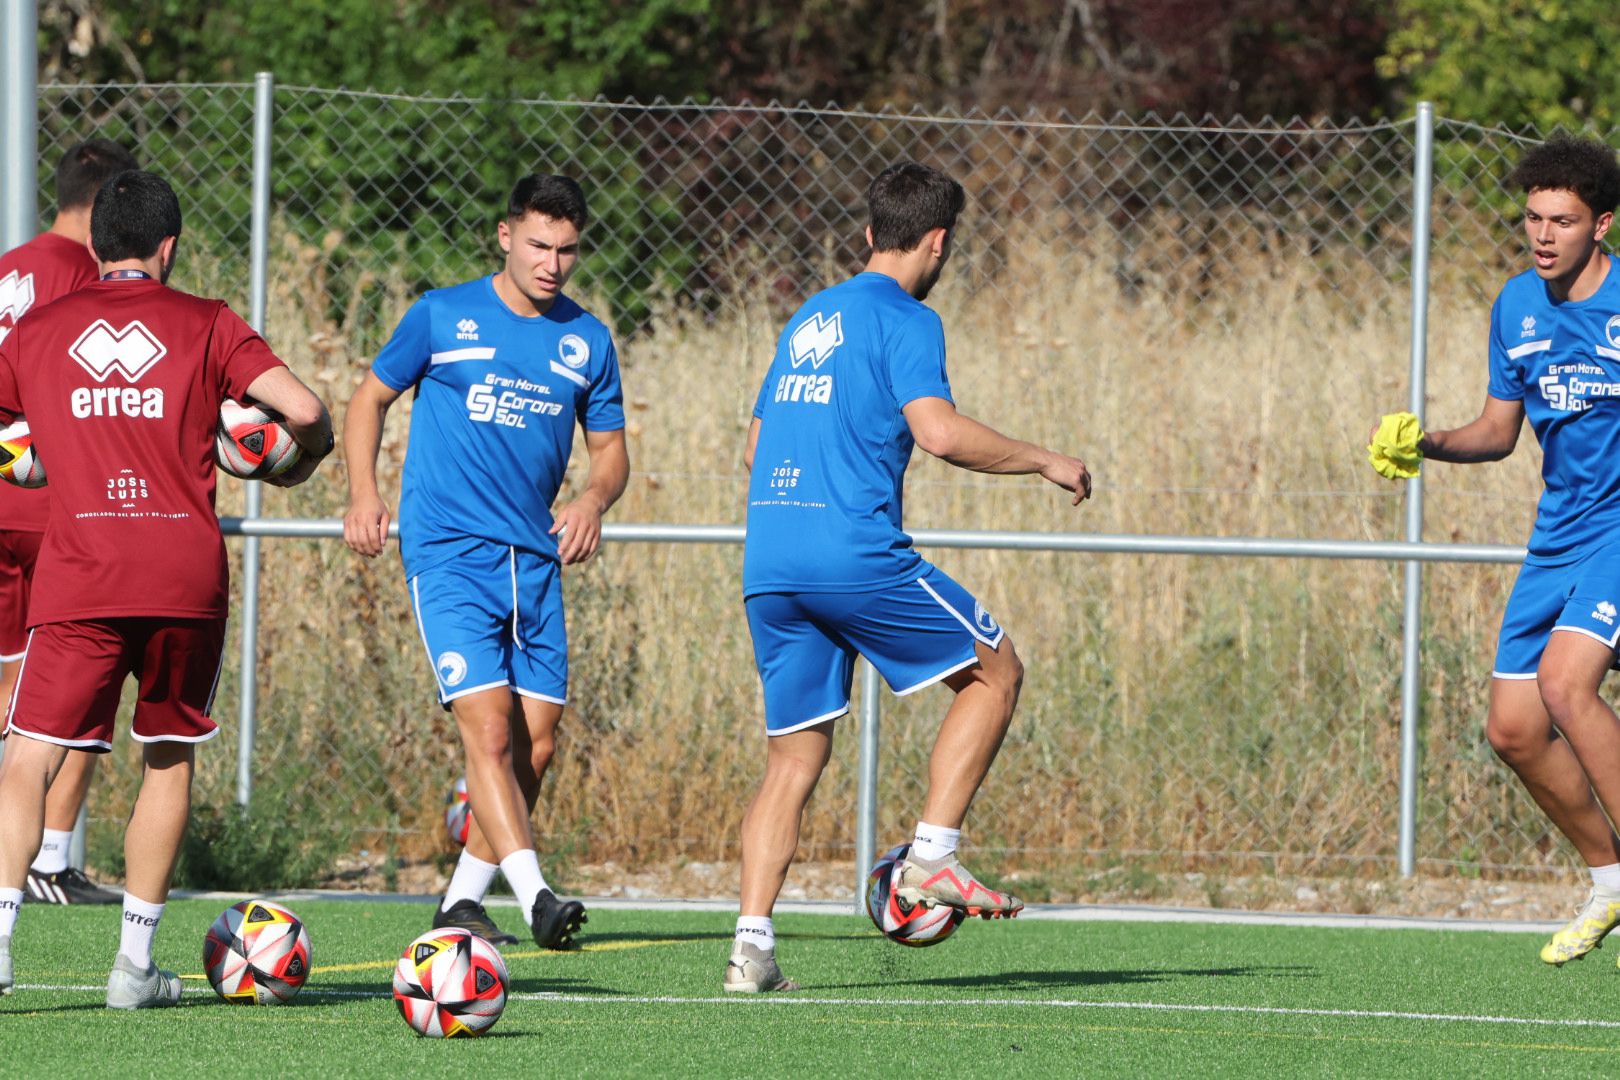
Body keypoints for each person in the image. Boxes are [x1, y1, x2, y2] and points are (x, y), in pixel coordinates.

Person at [727, 161, 1092, 992]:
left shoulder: (809, 316)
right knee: (997, 672)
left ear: (866, 234)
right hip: (849, 552)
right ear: (939, 241)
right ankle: (932, 857)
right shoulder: (908, 317)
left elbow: (754, 448)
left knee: (793, 759)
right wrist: (1043, 459)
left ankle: (751, 949)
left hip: (769, 558)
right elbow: (938, 433)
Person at [0, 170, 333, 1006]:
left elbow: (8, 439)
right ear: (170, 247)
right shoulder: (208, 322)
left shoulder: (38, 330)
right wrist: (292, 465)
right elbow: (305, 409)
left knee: (27, 756)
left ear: (95, 246)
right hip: (183, 574)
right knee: (168, 757)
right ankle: (133, 970)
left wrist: (40, 461)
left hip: (80, 570)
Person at [343, 174, 628, 951]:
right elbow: (367, 400)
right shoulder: (441, 315)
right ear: (506, 236)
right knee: (490, 736)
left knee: (536, 746)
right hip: (449, 555)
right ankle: (537, 897)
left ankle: (462, 900)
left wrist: (591, 502)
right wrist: (363, 493)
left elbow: (611, 457)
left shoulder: (588, 341)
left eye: (567, 249)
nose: (553, 263)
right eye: (539, 244)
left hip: (535, 563)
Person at [1373, 135, 1620, 968]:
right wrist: (1429, 443)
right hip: (1559, 535)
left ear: (1603, 226)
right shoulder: (1515, 305)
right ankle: (1609, 881)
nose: (1544, 234)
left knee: (1565, 683)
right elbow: (1497, 431)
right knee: (1514, 729)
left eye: (1565, 220)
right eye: (1533, 217)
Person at [0, 138, 139, 906]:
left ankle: (39, 856)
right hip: (52, 507)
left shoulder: (8, 266)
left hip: (2, 489)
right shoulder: (87, 276)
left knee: (14, 681)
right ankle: (51, 855)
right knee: (83, 674)